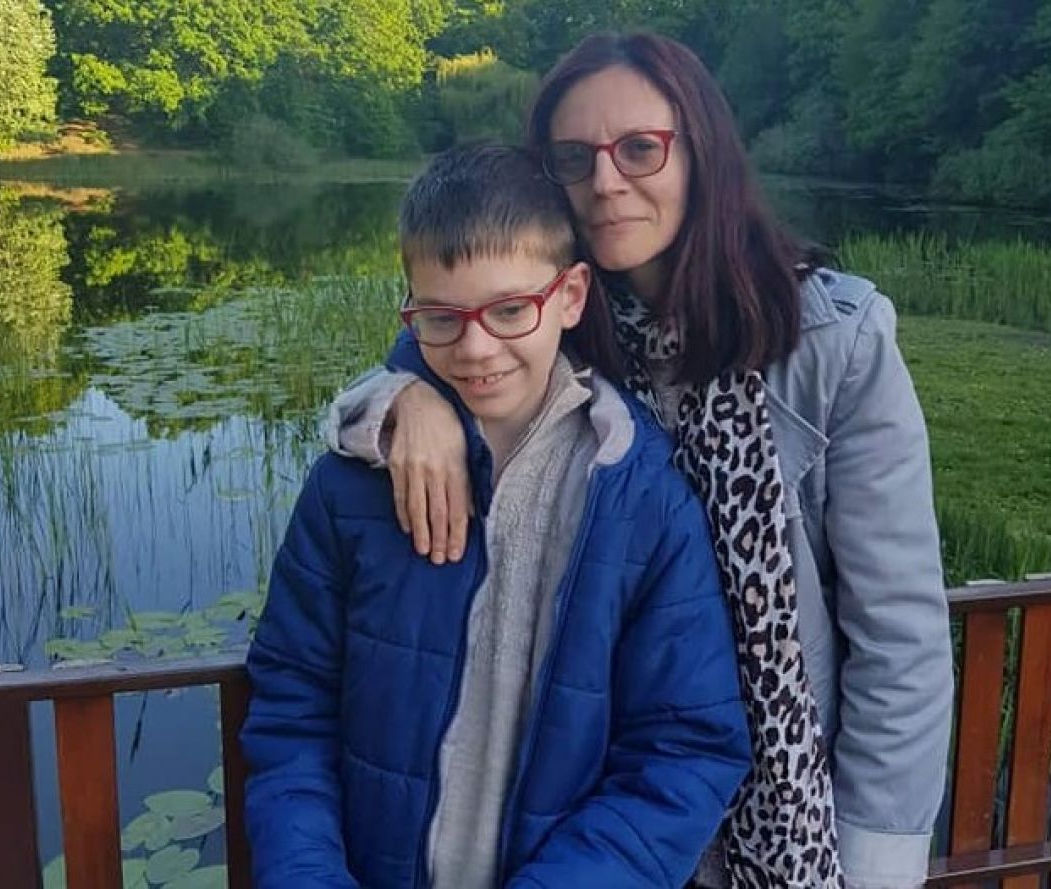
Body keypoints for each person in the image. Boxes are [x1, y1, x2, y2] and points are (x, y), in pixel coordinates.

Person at [326, 31, 954, 889]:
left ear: (700, 151)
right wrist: (405, 398)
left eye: (639, 149)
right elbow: (441, 336)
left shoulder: (831, 341)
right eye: (574, 157)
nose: (606, 181)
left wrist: (877, 860)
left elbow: (900, 637)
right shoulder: (558, 322)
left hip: (784, 819)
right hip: (604, 811)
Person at [242, 144, 752, 889]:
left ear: (571, 296)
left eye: (511, 310)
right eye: (441, 318)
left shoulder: (645, 503)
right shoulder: (349, 488)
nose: (477, 349)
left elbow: (684, 750)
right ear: (410, 313)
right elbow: (292, 708)